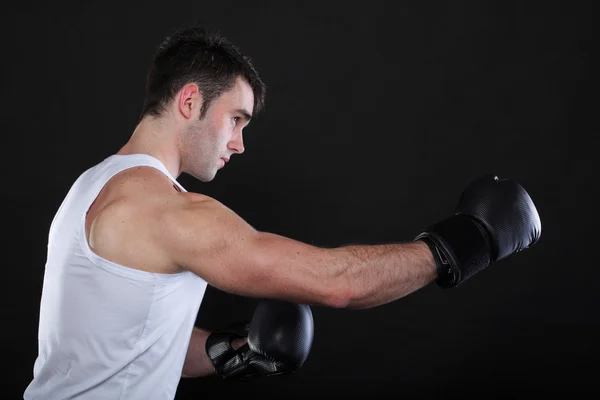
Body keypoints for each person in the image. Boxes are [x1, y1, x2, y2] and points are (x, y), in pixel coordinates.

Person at [24, 26, 541, 400]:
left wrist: (235, 350)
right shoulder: (162, 209)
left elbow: (138, 346)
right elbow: (335, 282)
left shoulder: (91, 187)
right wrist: (469, 241)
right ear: (188, 101)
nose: (239, 143)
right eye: (236, 119)